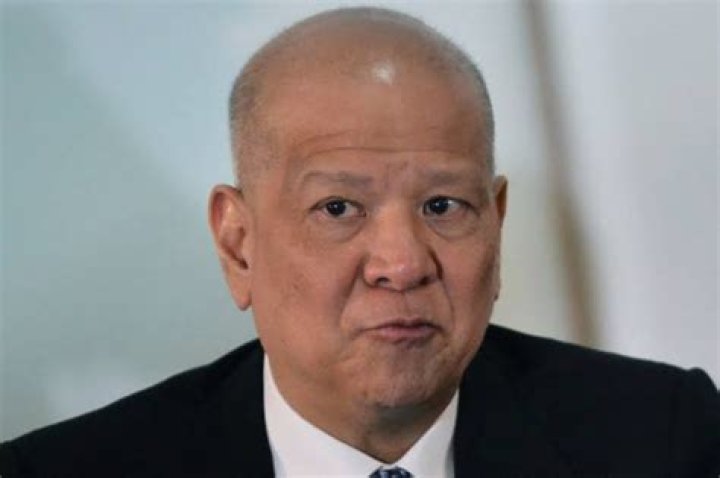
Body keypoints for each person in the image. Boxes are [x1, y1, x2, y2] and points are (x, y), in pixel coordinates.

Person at [1, 7, 718, 477]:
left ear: (495, 223)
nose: (402, 264)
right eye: (338, 208)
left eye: (443, 206)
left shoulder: (662, 439)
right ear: (238, 244)